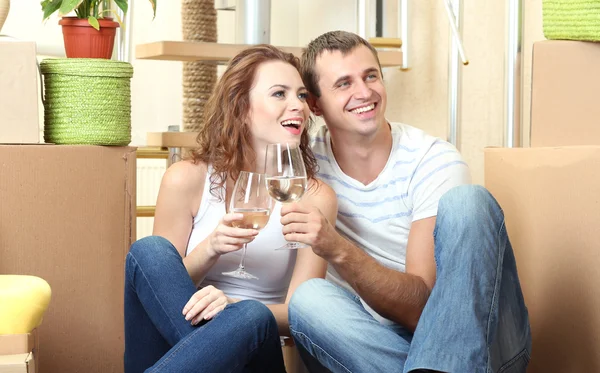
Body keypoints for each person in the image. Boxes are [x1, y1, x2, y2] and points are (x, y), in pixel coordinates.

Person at [282, 31, 531, 373]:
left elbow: (422, 311)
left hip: (481, 342)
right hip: (378, 347)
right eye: (344, 83)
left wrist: (336, 248)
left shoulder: (434, 160)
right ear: (314, 105)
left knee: (469, 202)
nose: (364, 92)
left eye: (371, 76)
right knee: (308, 300)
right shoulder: (305, 166)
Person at [124, 44, 337, 372]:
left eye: (302, 95)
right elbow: (158, 290)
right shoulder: (186, 180)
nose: (298, 106)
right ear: (241, 107)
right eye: (279, 94)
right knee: (149, 251)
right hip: (176, 351)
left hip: (256, 352)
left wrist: (233, 308)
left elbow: (300, 316)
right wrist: (210, 249)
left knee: (252, 315)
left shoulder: (314, 197)